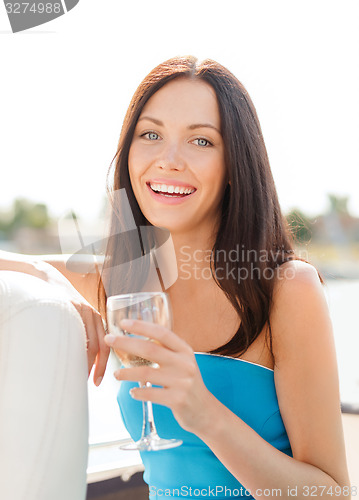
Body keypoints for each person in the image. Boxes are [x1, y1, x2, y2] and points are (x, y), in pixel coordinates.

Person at [0, 56, 350, 499]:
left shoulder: (287, 289)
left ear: (234, 165)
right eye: (151, 134)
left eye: (201, 141)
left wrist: (205, 413)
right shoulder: (119, 283)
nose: (168, 160)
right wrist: (43, 281)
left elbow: (332, 492)